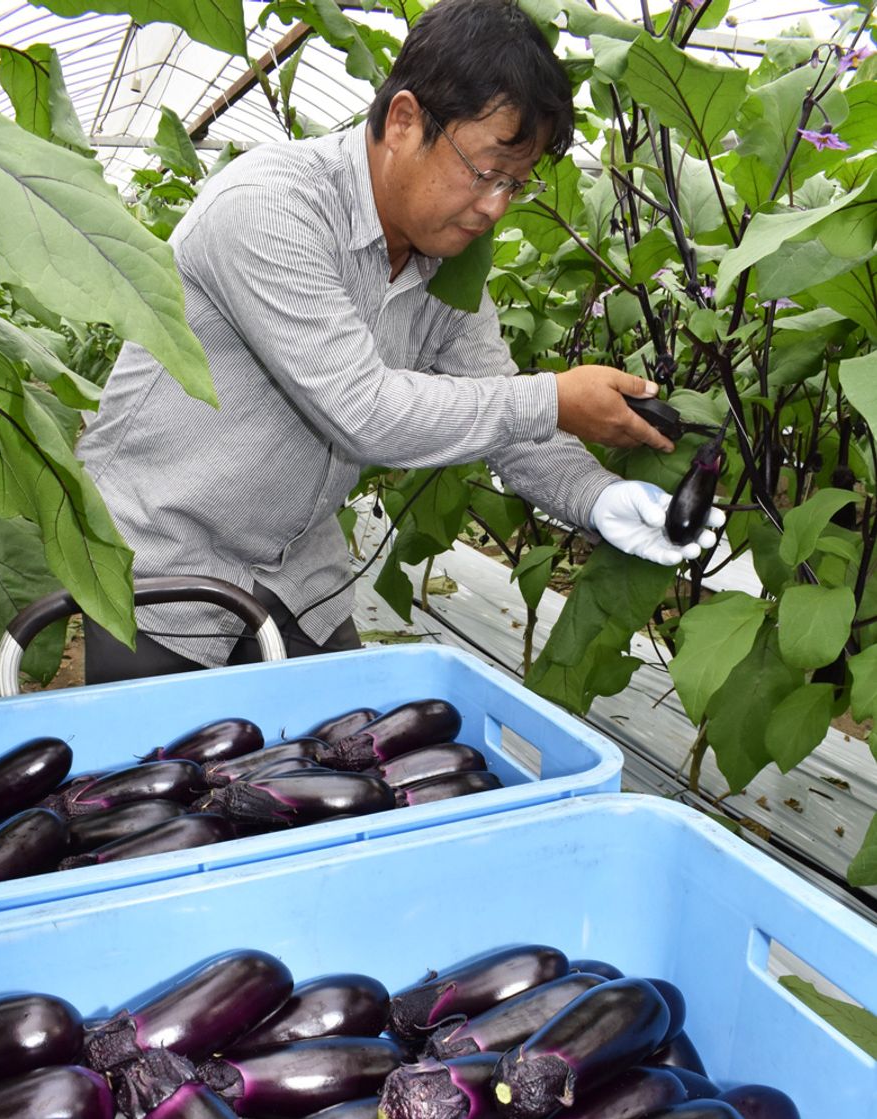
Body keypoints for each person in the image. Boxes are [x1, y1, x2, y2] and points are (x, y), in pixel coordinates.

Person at [77, 0, 721, 683]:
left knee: (339, 765)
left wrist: (594, 497)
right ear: (406, 121)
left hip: (299, 575)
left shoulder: (446, 258)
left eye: (515, 186)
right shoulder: (268, 205)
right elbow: (365, 413)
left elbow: (497, 404)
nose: (494, 207)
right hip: (166, 566)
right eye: (484, 172)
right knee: (158, 780)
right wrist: (555, 400)